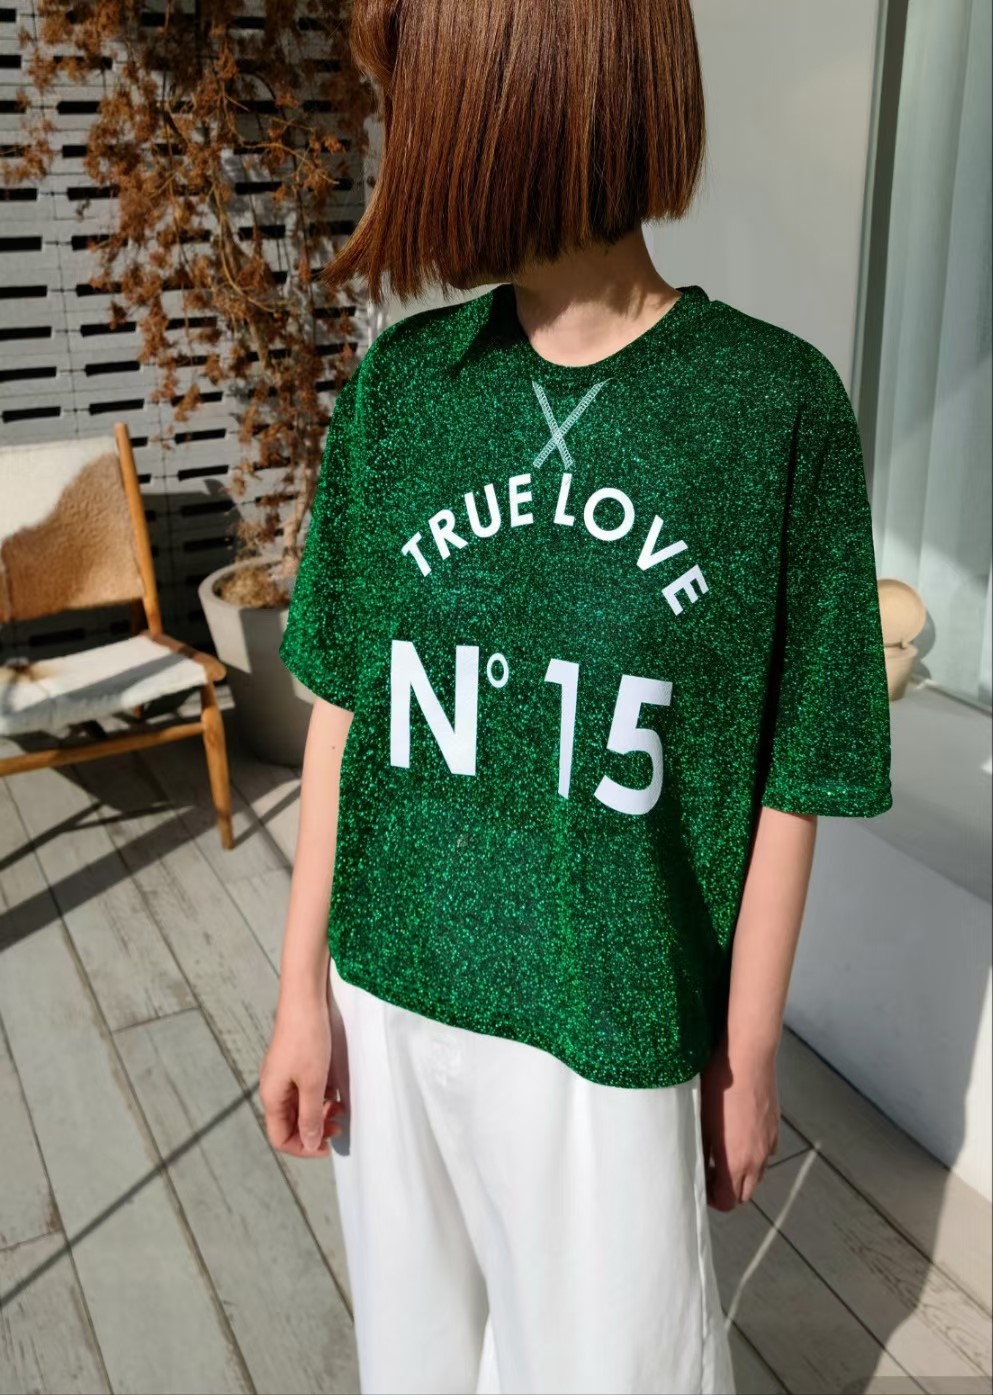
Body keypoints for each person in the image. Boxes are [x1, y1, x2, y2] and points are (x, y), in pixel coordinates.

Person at [259, 1, 893, 1391]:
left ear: (518, 100)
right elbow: (346, 708)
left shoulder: (770, 408)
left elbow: (797, 767)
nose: (398, 138)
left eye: (417, 99)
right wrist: (302, 989)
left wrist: (745, 1048)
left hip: (612, 1026)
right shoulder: (407, 390)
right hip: (392, 1000)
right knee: (417, 1371)